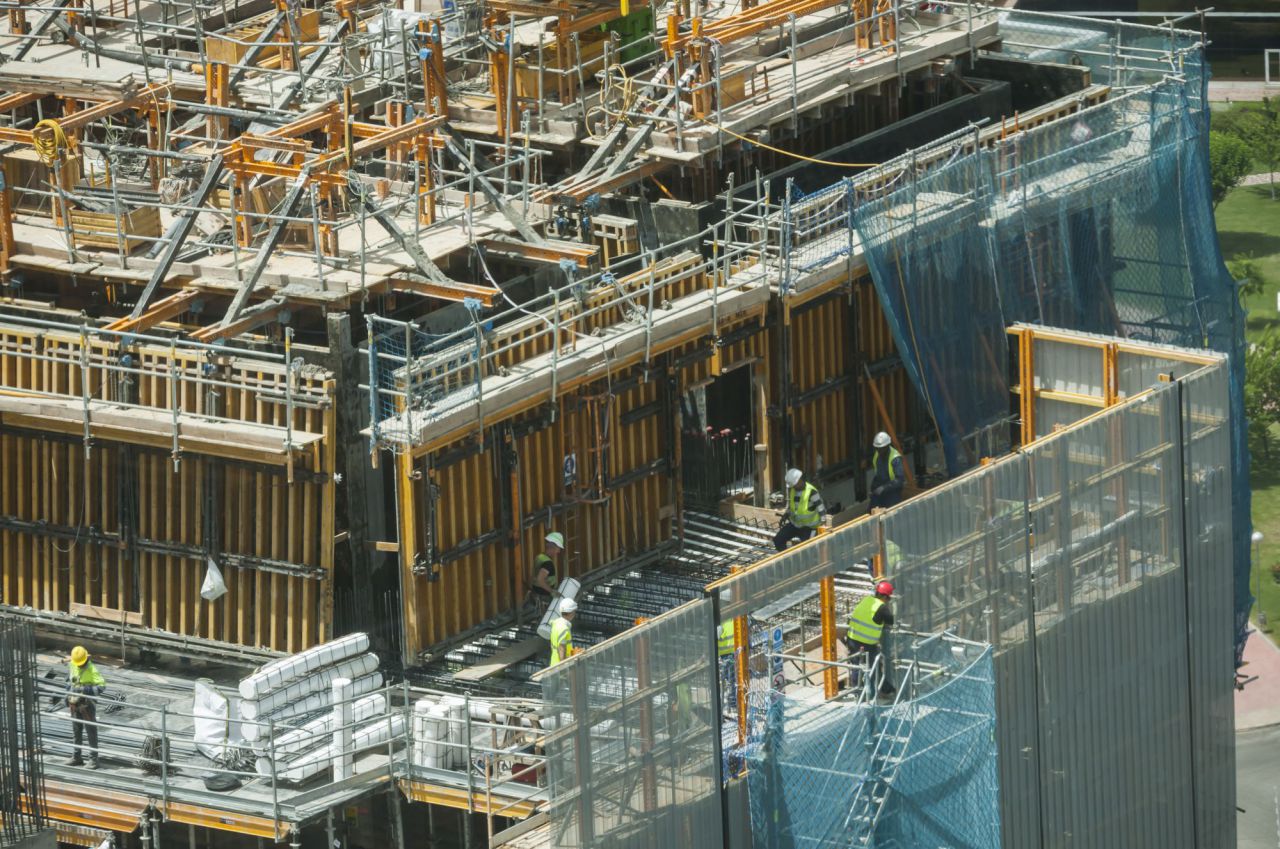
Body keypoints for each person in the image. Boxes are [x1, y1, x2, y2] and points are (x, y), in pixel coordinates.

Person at [843, 581, 897, 698]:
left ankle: (860, 692)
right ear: (884, 596)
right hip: (866, 643)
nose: (888, 601)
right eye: (888, 598)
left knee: (858, 666)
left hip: (852, 639)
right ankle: (871, 693)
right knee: (872, 668)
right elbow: (893, 621)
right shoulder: (881, 608)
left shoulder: (866, 600)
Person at [66, 646, 105, 768]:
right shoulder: (73, 663)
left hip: (87, 705)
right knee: (76, 731)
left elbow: (101, 687)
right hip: (74, 702)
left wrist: (84, 689)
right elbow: (69, 680)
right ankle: (77, 757)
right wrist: (67, 693)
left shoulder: (92, 669)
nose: (79, 666)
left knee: (91, 732)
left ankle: (94, 759)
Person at [773, 468, 824, 551]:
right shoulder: (793, 490)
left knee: (805, 550)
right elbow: (793, 506)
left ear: (799, 481)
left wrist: (823, 525)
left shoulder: (811, 492)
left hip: (809, 528)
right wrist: (786, 514)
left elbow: (821, 509)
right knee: (778, 540)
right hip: (795, 525)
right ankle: (788, 559)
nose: (792, 487)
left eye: (794, 485)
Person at [869, 432, 905, 510]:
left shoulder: (895, 458)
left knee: (889, 511)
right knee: (872, 509)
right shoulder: (876, 455)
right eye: (877, 448)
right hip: (882, 488)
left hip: (893, 490)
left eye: (880, 448)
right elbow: (878, 475)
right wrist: (873, 488)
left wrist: (884, 488)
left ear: (887, 446)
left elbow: (900, 480)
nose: (878, 451)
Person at [531, 532, 564, 608]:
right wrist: (552, 591)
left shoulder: (540, 556)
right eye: (558, 549)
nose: (558, 552)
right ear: (553, 547)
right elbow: (540, 580)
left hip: (536, 594)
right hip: (544, 597)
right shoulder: (548, 563)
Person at [548, 598, 577, 667]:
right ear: (571, 613)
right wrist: (563, 668)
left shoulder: (556, 623)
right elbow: (561, 649)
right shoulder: (564, 629)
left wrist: (573, 653)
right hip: (560, 668)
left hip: (554, 663)